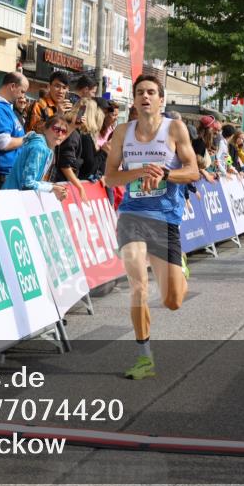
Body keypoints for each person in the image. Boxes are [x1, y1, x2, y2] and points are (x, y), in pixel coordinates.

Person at [103, 74, 199, 380]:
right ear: (134, 100)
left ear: (161, 99)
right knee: (137, 280)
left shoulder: (175, 128)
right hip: (132, 213)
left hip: (165, 216)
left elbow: (194, 171)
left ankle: (179, 267)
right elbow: (110, 178)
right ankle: (144, 357)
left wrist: (166, 175)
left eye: (151, 92)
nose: (146, 96)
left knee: (172, 301)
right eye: (140, 92)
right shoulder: (122, 133)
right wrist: (139, 172)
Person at [2, 113, 69, 203]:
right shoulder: (39, 148)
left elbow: (33, 181)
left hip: (16, 197)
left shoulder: (46, 148)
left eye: (64, 131)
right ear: (45, 129)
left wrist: (54, 187)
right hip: (11, 199)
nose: (59, 134)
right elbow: (28, 183)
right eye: (56, 129)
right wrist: (52, 188)